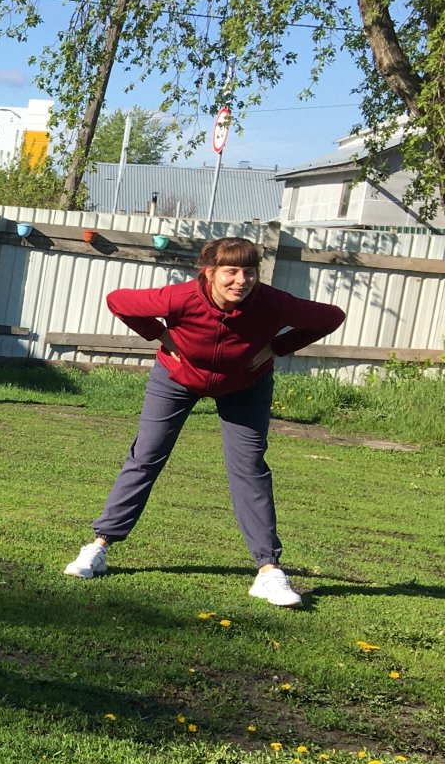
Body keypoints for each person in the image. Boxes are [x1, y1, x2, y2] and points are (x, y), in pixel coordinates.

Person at [63, 236, 346, 605]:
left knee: (250, 468)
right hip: (176, 379)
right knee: (147, 456)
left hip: (245, 384)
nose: (241, 281)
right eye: (231, 272)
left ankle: (268, 571)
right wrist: (162, 336)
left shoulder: (271, 302)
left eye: (249, 272)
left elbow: (331, 316)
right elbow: (118, 301)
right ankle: (98, 547)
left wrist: (276, 347)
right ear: (210, 272)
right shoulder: (179, 297)